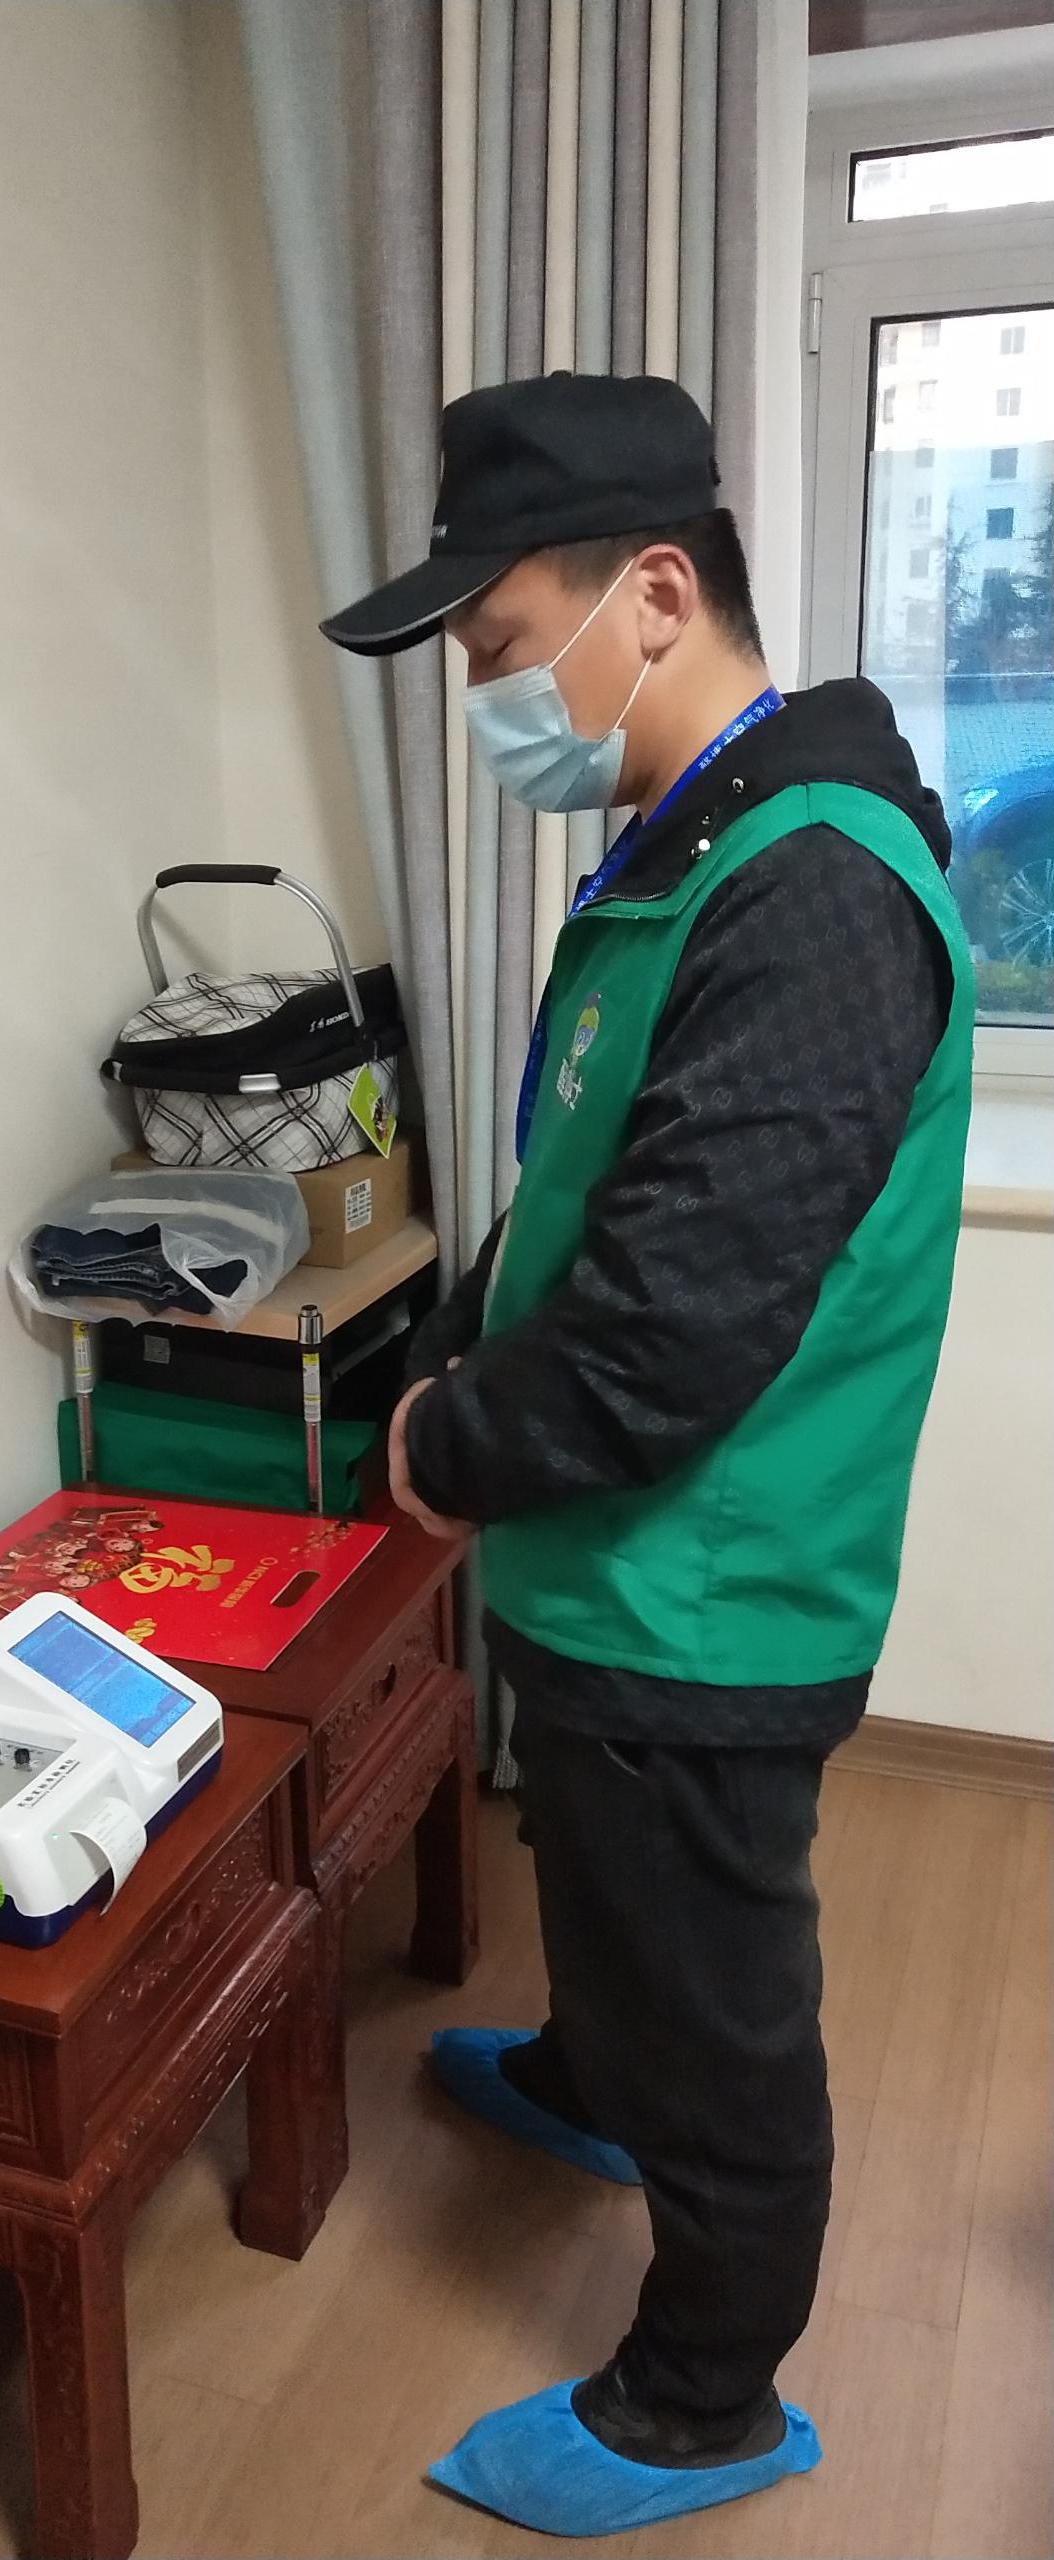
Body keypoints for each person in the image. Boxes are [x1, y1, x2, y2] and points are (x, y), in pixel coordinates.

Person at [320, 372, 973, 2539]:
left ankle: (706, 2395)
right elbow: (586, 1195)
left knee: (722, 2005)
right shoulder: (685, 853)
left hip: (706, 1595)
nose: (488, 698)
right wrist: (458, 1335)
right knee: (606, 1899)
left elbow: (668, 1335)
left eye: (502, 644)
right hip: (614, 1571)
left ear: (657, 593)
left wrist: (444, 1435)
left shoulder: (812, 893)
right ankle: (591, 2075)